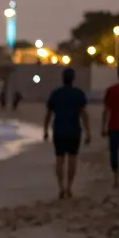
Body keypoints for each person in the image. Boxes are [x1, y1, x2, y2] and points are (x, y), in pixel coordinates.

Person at [43, 67, 91, 199]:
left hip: (59, 130)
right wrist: (88, 132)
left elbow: (48, 114)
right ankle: (69, 186)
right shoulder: (78, 94)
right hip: (74, 130)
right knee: (72, 158)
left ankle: (60, 187)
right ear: (73, 79)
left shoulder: (56, 93)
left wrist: (46, 131)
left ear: (62, 78)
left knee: (59, 159)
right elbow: (83, 114)